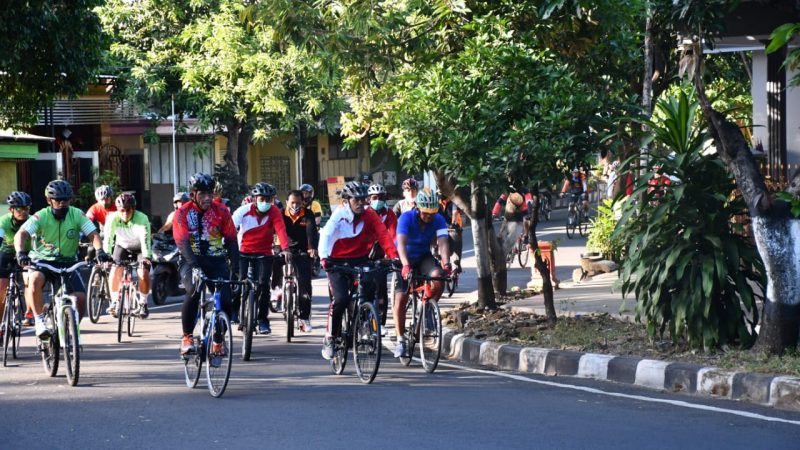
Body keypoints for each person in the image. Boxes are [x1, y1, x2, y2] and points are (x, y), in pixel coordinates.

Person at [15, 180, 109, 340]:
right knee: (34, 280)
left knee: (80, 298)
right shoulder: (41, 216)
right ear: (49, 200)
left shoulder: (77, 214)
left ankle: (72, 327)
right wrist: (20, 252)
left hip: (69, 263)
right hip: (43, 261)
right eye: (58, 200)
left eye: (65, 199)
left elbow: (93, 235)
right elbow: (21, 234)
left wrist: (100, 250)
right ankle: (39, 322)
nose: (62, 203)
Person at [318, 181, 398, 360]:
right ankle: (330, 337)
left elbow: (383, 236)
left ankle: (364, 320)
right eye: (357, 200)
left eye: (364, 200)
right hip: (336, 261)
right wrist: (324, 258)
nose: (361, 203)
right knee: (341, 299)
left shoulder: (370, 214)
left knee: (370, 288)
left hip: (359, 259)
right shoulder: (339, 215)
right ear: (346, 201)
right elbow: (326, 235)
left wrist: (394, 257)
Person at [174, 173, 239, 355]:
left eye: (210, 193)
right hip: (190, 259)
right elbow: (182, 241)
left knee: (226, 300)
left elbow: (232, 241)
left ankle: (218, 339)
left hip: (216, 260)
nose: (207, 198)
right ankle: (187, 336)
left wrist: (235, 269)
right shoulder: (183, 213)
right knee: (194, 289)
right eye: (202, 194)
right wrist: (194, 266)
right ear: (193, 194)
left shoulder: (222, 211)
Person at [393, 188, 451, 358]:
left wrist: (446, 264)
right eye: (425, 213)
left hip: (423, 256)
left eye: (432, 213)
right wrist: (405, 265)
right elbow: (401, 245)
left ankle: (427, 309)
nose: (428, 217)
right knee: (401, 297)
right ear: (418, 208)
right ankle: (400, 339)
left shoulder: (438, 219)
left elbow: (443, 242)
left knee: (438, 277)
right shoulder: (406, 218)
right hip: (405, 257)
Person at [231, 182, 291, 335]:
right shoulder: (243, 211)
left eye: (268, 199)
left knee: (264, 286)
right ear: (254, 199)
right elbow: (230, 229)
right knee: (241, 283)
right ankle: (235, 312)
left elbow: (281, 231)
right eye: (261, 198)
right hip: (243, 252)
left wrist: (285, 249)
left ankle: (263, 320)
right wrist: (226, 246)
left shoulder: (275, 212)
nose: (265, 202)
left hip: (264, 252)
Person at [273, 190, 318, 333]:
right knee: (273, 262)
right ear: (287, 202)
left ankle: (304, 318)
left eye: (298, 203)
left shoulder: (308, 214)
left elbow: (311, 231)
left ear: (302, 203)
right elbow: (273, 231)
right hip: (283, 249)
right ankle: (277, 289)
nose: (295, 205)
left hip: (302, 251)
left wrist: (312, 248)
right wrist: (275, 248)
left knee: (305, 284)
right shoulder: (280, 213)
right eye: (292, 202)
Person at [104, 193, 153, 319]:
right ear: (117, 209)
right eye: (122, 210)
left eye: (128, 210)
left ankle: (143, 302)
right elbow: (108, 238)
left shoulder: (142, 218)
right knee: (115, 271)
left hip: (140, 248)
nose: (125, 213)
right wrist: (106, 255)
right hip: (123, 246)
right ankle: (115, 302)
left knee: (143, 273)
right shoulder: (112, 218)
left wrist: (146, 258)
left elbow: (145, 240)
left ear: (133, 209)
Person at [0, 192, 32, 336]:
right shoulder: (3, 221)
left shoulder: (33, 221)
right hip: (6, 252)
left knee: (30, 280)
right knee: (1, 287)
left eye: (26, 208)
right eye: (19, 209)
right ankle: (1, 326)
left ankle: (29, 313)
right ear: (11, 210)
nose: (23, 212)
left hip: (27, 254)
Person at [366, 183, 397, 328]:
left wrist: (391, 255)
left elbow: (394, 235)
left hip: (381, 256)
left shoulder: (389, 214)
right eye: (374, 197)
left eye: (381, 197)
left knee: (381, 291)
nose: (378, 200)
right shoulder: (364, 213)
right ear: (369, 199)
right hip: (363, 255)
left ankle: (381, 324)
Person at [492, 184, 533, 257]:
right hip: (511, 211)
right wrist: (494, 213)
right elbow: (500, 201)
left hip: (523, 210)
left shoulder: (525, 190)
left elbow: (529, 201)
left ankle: (526, 236)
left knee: (526, 220)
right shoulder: (508, 190)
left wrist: (529, 213)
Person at [437, 189, 463, 274]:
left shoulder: (453, 201)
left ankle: (457, 265)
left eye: (442, 194)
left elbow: (455, 213)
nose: (441, 196)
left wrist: (453, 224)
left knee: (455, 240)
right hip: (441, 226)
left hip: (454, 226)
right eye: (439, 194)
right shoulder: (437, 202)